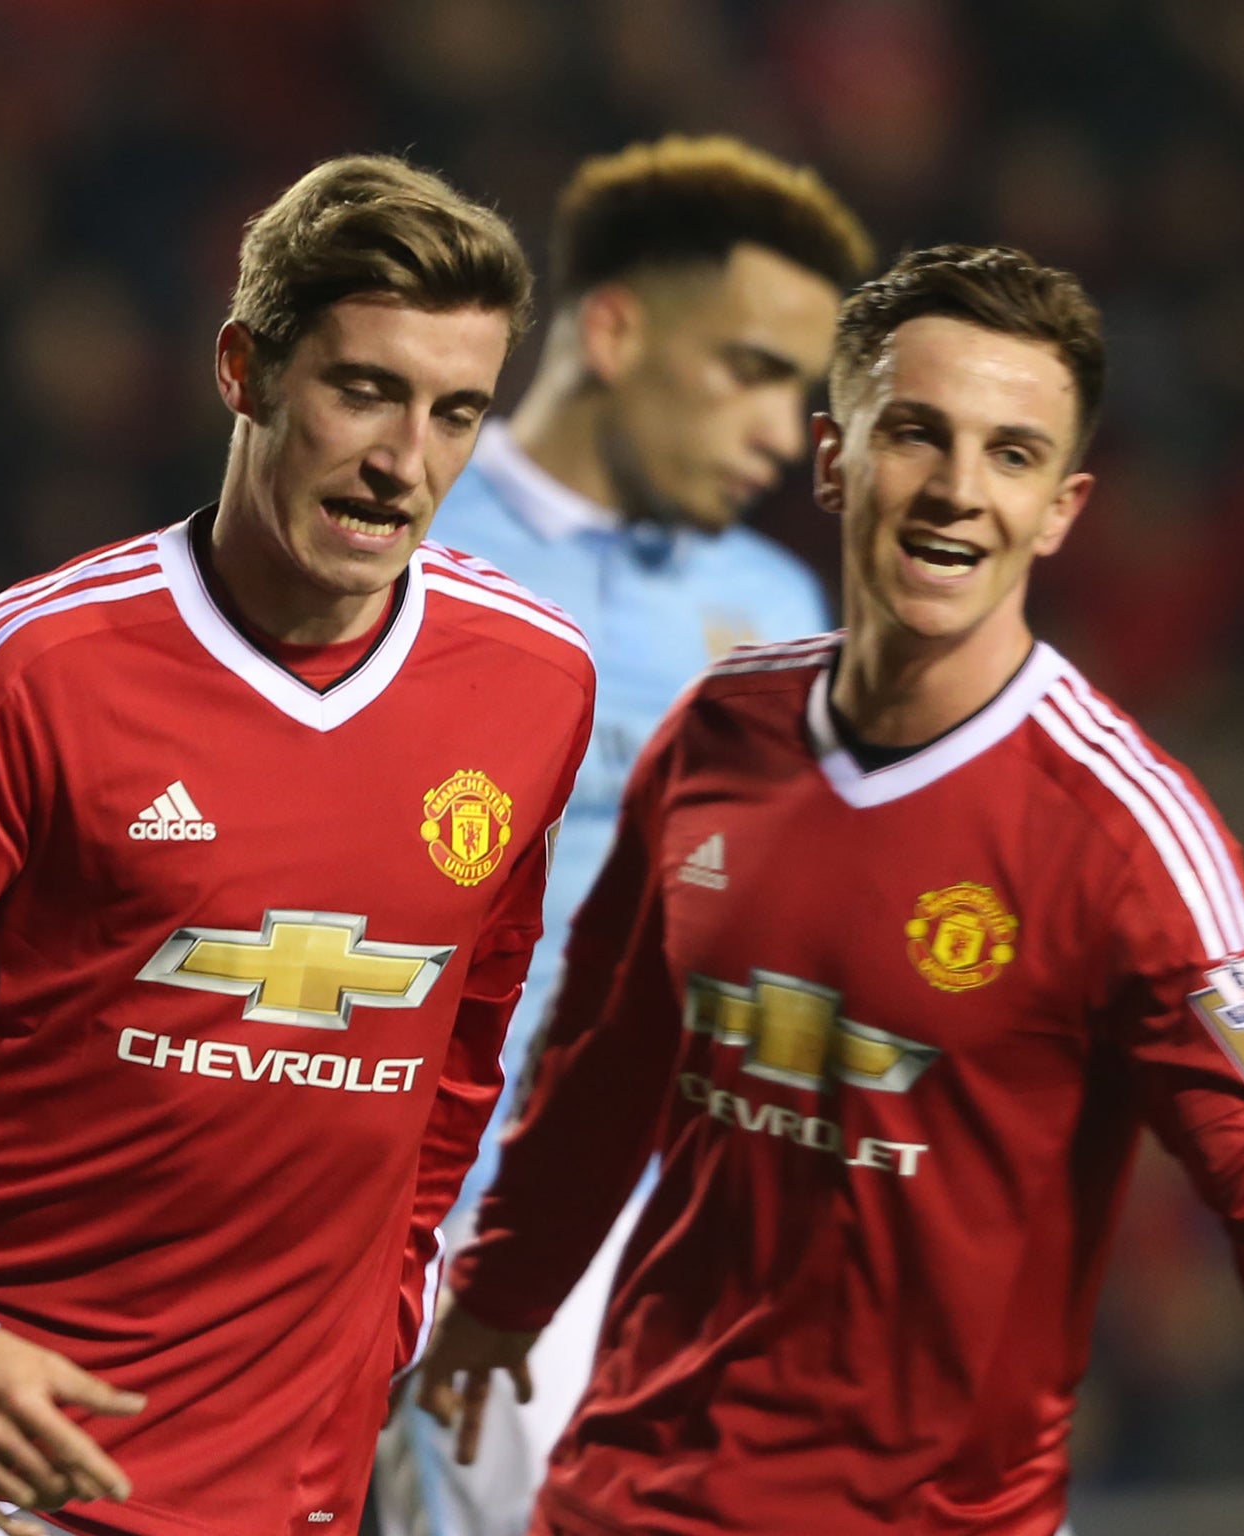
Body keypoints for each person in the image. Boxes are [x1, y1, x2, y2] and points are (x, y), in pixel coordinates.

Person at [417, 245, 1244, 1536]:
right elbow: (609, 1057)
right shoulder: (718, 732)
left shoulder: (1121, 834)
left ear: (1063, 507)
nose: (956, 491)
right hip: (627, 1500)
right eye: (917, 434)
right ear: (833, 457)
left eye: (1011, 454)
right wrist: (501, 1301)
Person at [0, 154, 596, 1536]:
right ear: (245, 370)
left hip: (268, 1498)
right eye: (363, 390)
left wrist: (385, 1314)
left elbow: (467, 1030)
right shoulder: (38, 663)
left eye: (456, 413)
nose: (404, 461)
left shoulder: (533, 680)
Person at [374, 134, 874, 1536]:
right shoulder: (396, 547)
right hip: (491, 1233)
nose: (787, 436)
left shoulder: (775, 599)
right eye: (753, 372)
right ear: (612, 329)